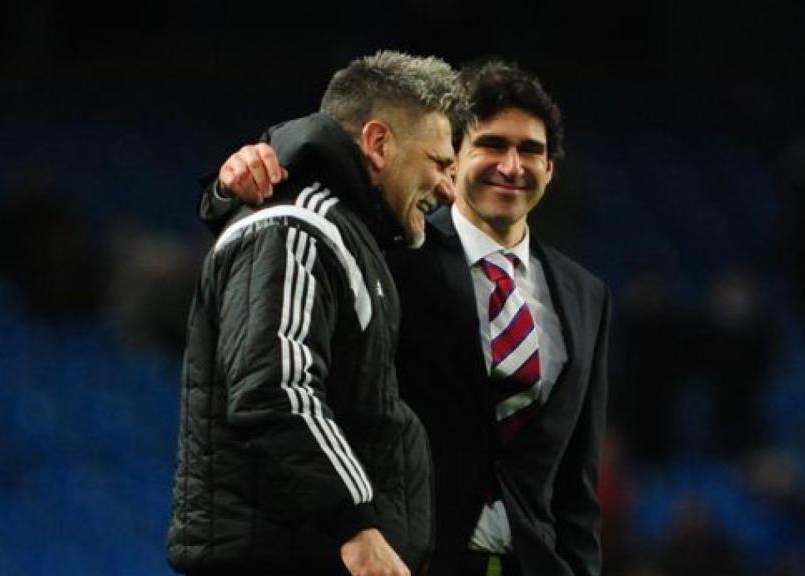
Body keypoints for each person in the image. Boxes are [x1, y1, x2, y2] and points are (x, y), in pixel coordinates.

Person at [213, 60, 610, 576]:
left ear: (550, 169)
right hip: (408, 559)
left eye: (530, 150)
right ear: (453, 156)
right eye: (491, 145)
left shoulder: (585, 294)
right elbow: (314, 199)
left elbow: (578, 481)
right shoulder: (396, 250)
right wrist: (237, 179)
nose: (512, 166)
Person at [167, 50, 469, 576]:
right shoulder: (297, 227)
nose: (448, 188)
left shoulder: (346, 237)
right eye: (440, 163)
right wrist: (356, 528)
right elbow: (275, 389)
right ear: (378, 143)